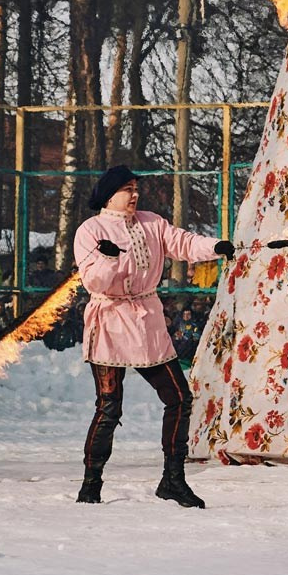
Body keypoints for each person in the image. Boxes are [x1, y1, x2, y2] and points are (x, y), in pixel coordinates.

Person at [73, 165, 234, 508]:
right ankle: (91, 483)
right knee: (109, 406)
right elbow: (94, 281)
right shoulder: (90, 230)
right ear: (108, 194)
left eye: (135, 188)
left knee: (179, 397)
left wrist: (216, 246)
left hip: (147, 320)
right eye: (126, 189)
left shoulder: (151, 222)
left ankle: (173, 480)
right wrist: (109, 260)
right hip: (111, 321)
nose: (134, 195)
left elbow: (183, 242)